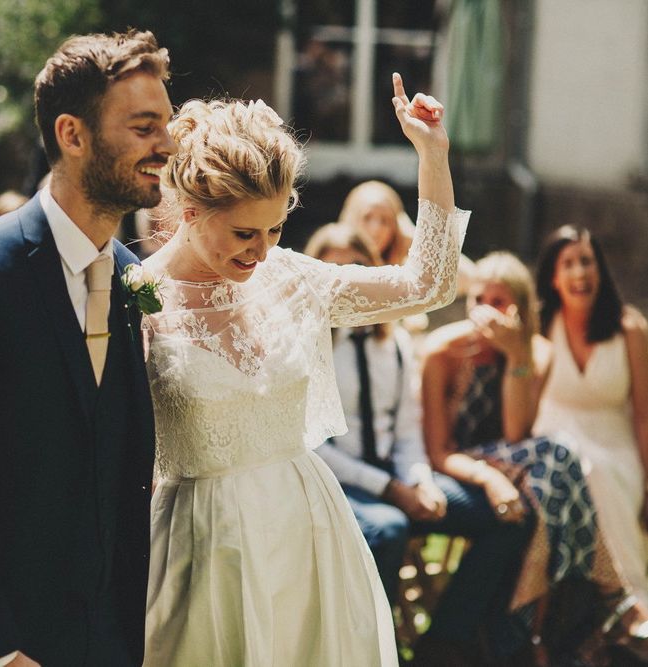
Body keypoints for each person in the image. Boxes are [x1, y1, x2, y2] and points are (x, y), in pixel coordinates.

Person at [140, 75, 469, 666]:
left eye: (274, 229)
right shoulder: (137, 299)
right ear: (189, 212)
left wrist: (432, 156)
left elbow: (430, 284)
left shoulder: (291, 278)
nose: (260, 251)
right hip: (203, 543)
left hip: (305, 530)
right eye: (243, 233)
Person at [0, 29, 176, 666]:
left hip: (107, 642)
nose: (166, 145)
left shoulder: (129, 277)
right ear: (72, 134)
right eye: (144, 127)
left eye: (165, 125)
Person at [305, 225, 536, 665]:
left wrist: (421, 482)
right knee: (388, 527)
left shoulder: (395, 344)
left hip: (399, 477)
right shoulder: (308, 347)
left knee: (509, 516)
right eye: (330, 269)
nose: (339, 281)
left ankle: (444, 642)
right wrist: (391, 490)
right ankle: (375, 650)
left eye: (351, 269)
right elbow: (313, 445)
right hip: (337, 482)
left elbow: (409, 430)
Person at [421, 251, 648, 664]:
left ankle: (533, 627)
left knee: (553, 478)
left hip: (518, 463)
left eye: (499, 302)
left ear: (521, 309)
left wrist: (516, 358)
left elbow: (513, 433)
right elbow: (438, 452)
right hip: (460, 467)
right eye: (479, 301)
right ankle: (600, 599)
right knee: (560, 456)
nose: (486, 312)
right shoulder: (443, 352)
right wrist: (489, 479)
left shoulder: (537, 354)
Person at [534, 225, 648, 608]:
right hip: (554, 438)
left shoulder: (630, 329)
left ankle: (628, 598)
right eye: (568, 264)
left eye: (588, 261)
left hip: (616, 445)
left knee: (600, 470)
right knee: (574, 470)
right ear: (552, 276)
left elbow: (645, 415)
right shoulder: (540, 327)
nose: (580, 272)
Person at [338, 179, 475, 297]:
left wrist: (413, 236)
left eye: (385, 220)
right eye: (367, 217)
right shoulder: (336, 261)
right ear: (352, 219)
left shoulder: (404, 270)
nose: (376, 229)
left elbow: (471, 280)